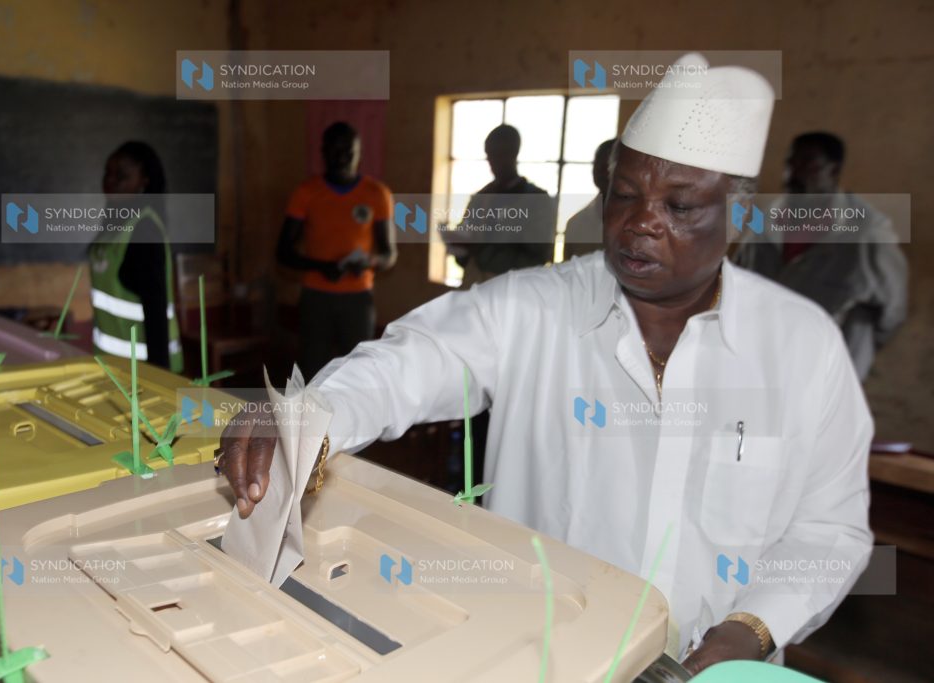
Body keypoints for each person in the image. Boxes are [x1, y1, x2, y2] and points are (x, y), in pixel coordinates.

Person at [220, 55, 872, 674]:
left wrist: (751, 628)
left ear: (741, 217)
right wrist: (306, 416)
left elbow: (829, 527)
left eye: (679, 206)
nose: (639, 222)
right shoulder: (535, 308)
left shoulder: (801, 347)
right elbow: (414, 358)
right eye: (624, 193)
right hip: (540, 660)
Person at [735, 132, 908, 379]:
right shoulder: (763, 225)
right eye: (790, 163)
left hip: (825, 372)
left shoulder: (866, 234)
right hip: (761, 362)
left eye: (808, 163)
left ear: (834, 171)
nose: (793, 173)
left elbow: (892, 311)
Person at [277, 122, 396, 381]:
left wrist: (370, 262)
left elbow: (389, 254)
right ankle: (310, 421)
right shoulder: (307, 192)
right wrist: (321, 267)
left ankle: (354, 422)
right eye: (334, 151)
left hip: (358, 299)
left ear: (359, 153)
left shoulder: (377, 194)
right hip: (316, 298)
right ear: (323, 152)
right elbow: (283, 252)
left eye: (348, 152)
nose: (341, 159)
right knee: (311, 371)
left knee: (357, 373)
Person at [89, 141, 183, 372]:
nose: (110, 181)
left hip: (144, 372)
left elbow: (156, 312)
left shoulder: (144, 230)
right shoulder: (114, 226)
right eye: (107, 173)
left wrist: (161, 380)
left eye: (121, 175)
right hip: (114, 367)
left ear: (143, 181)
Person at [448, 124, 555, 282]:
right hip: (475, 288)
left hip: (513, 293)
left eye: (499, 154)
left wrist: (482, 251)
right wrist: (459, 247)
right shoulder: (480, 198)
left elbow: (536, 259)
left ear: (514, 153)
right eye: (489, 155)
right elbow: (464, 246)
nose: (493, 161)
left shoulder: (537, 201)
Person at [563, 137, 616, 260]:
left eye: (609, 165)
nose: (602, 171)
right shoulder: (575, 224)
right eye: (597, 164)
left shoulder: (640, 224)